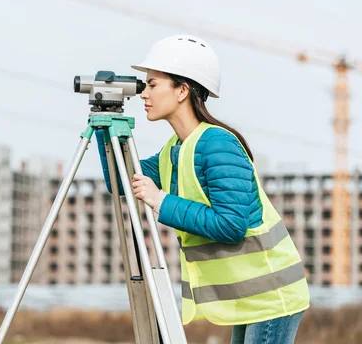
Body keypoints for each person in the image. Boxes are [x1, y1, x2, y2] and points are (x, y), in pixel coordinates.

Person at [95, 34, 310, 344]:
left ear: (182, 90)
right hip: (250, 296)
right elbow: (121, 181)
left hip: (273, 296)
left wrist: (161, 201)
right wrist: (106, 125)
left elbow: (232, 224)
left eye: (153, 84)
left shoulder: (218, 145)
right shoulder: (176, 149)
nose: (144, 93)